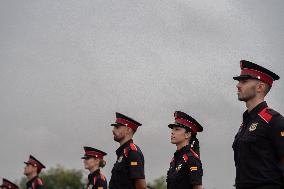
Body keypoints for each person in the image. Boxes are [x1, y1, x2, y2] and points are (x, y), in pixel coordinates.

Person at [232, 60, 284, 189]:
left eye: (244, 81)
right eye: (239, 81)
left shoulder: (273, 120)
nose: (238, 85)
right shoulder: (245, 123)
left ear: (260, 87)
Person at [109, 112, 147, 189]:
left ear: (128, 130)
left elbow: (141, 186)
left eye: (117, 127)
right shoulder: (123, 152)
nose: (113, 130)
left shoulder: (132, 152)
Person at [166, 111, 203, 189]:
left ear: (187, 134)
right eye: (172, 129)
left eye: (177, 129)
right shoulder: (175, 159)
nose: (172, 132)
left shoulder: (191, 159)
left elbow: (198, 187)